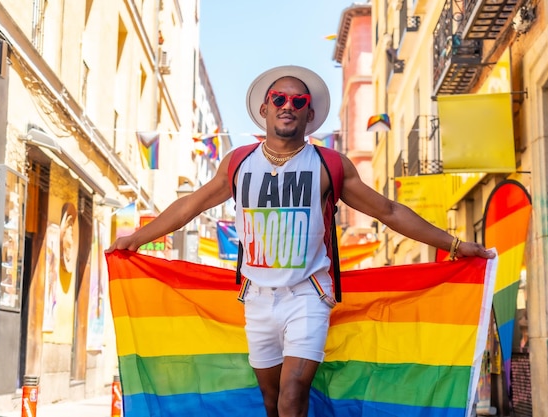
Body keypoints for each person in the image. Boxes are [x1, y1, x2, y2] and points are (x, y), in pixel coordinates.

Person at [107, 65, 495, 417]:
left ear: (310, 114)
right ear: (264, 109)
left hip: (308, 295)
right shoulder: (238, 162)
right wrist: (137, 238)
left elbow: (389, 212)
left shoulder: (330, 164)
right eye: (279, 99)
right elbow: (190, 205)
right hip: (256, 297)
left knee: (293, 393)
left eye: (298, 101)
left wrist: (456, 245)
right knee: (272, 400)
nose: (287, 105)